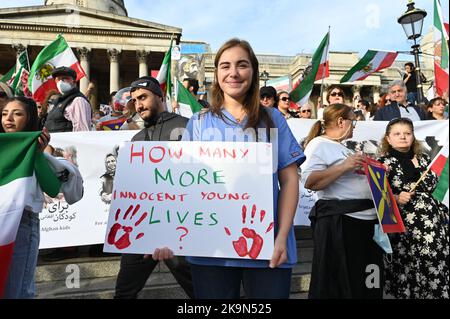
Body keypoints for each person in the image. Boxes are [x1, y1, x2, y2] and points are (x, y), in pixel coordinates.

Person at [180, 38, 305, 299]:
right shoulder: (199, 123)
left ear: (254, 72)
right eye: (225, 66)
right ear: (216, 74)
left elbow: (290, 180)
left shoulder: (273, 118)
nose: (233, 72)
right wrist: (167, 236)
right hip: (210, 251)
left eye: (242, 65)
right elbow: (182, 186)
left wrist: (282, 236)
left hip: (268, 247)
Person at [114, 76, 194, 299]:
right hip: (142, 228)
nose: (138, 105)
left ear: (160, 97)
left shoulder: (187, 127)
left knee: (198, 288)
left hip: (181, 226)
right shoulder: (137, 139)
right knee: (124, 291)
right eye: (134, 101)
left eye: (143, 98)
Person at [301, 103, 383, 299]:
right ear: (341, 121)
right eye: (353, 122)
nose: (355, 127)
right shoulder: (319, 144)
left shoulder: (341, 147)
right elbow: (311, 181)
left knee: (368, 279)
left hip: (366, 221)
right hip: (344, 221)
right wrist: (345, 166)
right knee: (346, 280)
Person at [377, 118, 449, 299]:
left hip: (434, 227)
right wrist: (395, 197)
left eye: (407, 133)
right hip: (405, 229)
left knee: (435, 269)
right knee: (409, 271)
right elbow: (377, 198)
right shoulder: (381, 163)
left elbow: (436, 187)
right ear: (388, 138)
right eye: (397, 134)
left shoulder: (425, 159)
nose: (403, 137)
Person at [1, 97, 54, 298]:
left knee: (18, 289)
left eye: (17, 113)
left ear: (30, 117)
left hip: (22, 222)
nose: (9, 119)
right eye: (5, 113)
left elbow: (52, 187)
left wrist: (38, 154)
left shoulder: (37, 148)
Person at [44, 66, 92, 132]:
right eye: (58, 79)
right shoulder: (59, 101)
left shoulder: (78, 100)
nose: (61, 82)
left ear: (74, 82)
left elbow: (82, 131)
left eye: (65, 78)